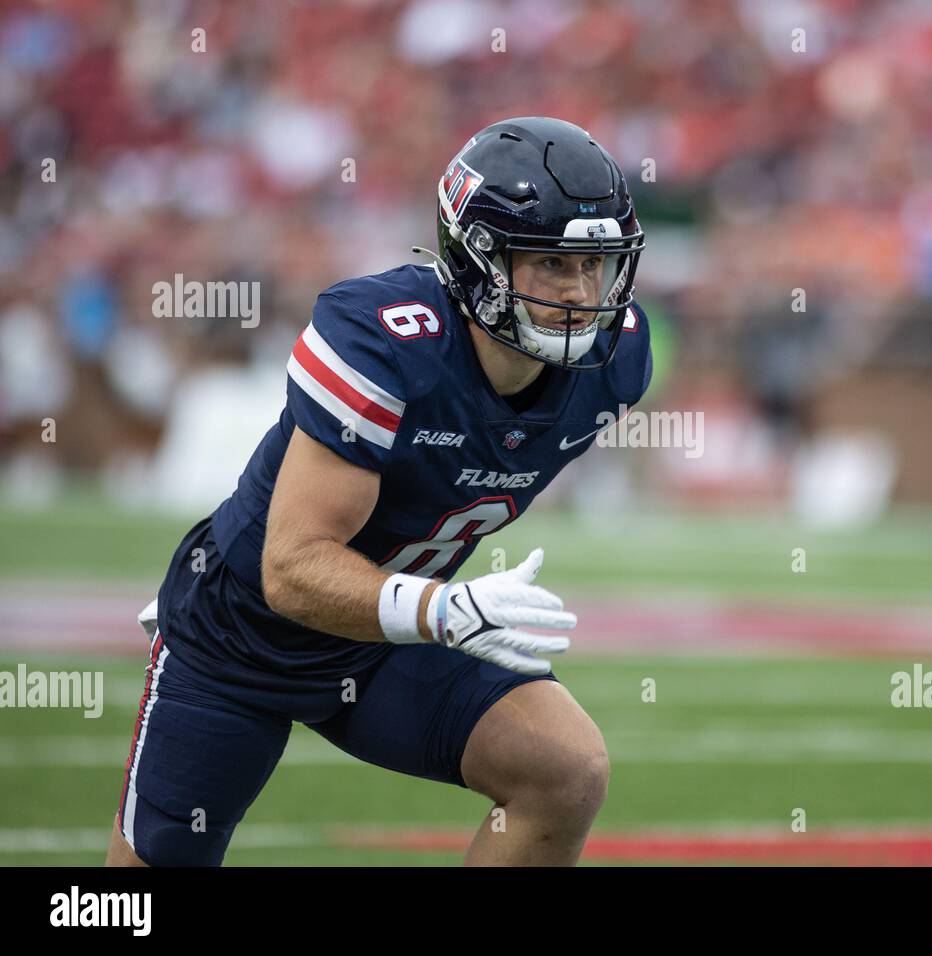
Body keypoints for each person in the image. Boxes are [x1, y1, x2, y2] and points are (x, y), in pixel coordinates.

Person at [106, 116, 652, 866]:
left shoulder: (617, 363)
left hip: (384, 644)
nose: (582, 292)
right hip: (241, 634)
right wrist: (441, 607)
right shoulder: (386, 339)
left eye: (597, 265)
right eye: (554, 264)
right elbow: (292, 568)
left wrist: (434, 608)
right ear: (478, 259)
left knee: (564, 770)